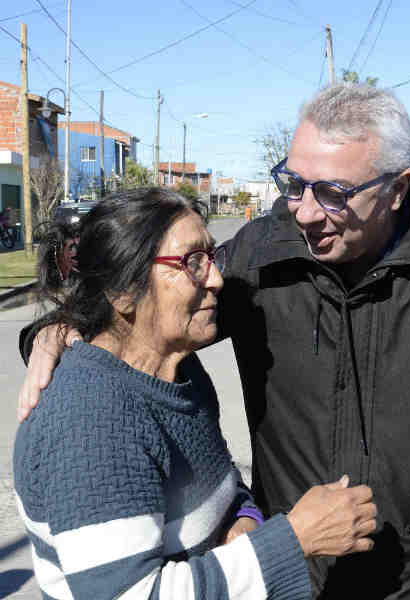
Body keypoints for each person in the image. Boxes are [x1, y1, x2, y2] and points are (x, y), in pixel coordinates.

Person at [20, 83, 410, 599]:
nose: (304, 210)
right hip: (291, 577)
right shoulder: (263, 252)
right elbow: (148, 314)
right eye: (294, 184)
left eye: (333, 193)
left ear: (397, 187)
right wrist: (58, 331)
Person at [14, 188, 378, 600]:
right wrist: (294, 540)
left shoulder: (181, 370)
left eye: (212, 257)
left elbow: (219, 488)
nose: (217, 279)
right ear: (122, 292)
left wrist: (242, 519)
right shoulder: (92, 420)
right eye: (192, 262)